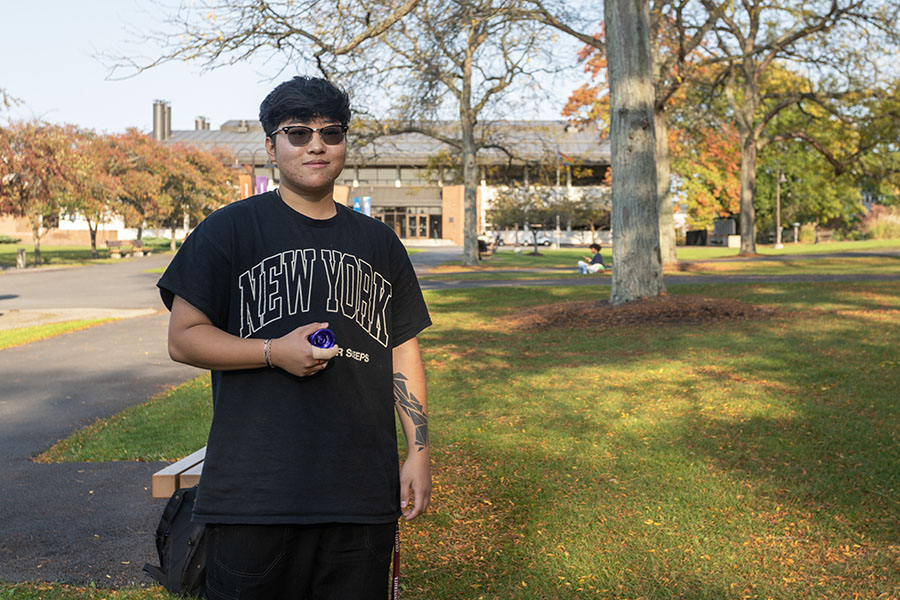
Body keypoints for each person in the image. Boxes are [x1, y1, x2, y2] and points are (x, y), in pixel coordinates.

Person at [157, 75, 432, 600]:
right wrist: (271, 352)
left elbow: (402, 347)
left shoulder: (379, 242)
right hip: (254, 498)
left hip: (360, 495)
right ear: (271, 146)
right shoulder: (228, 229)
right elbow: (184, 338)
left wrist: (418, 450)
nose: (317, 145)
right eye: (298, 133)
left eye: (331, 132)